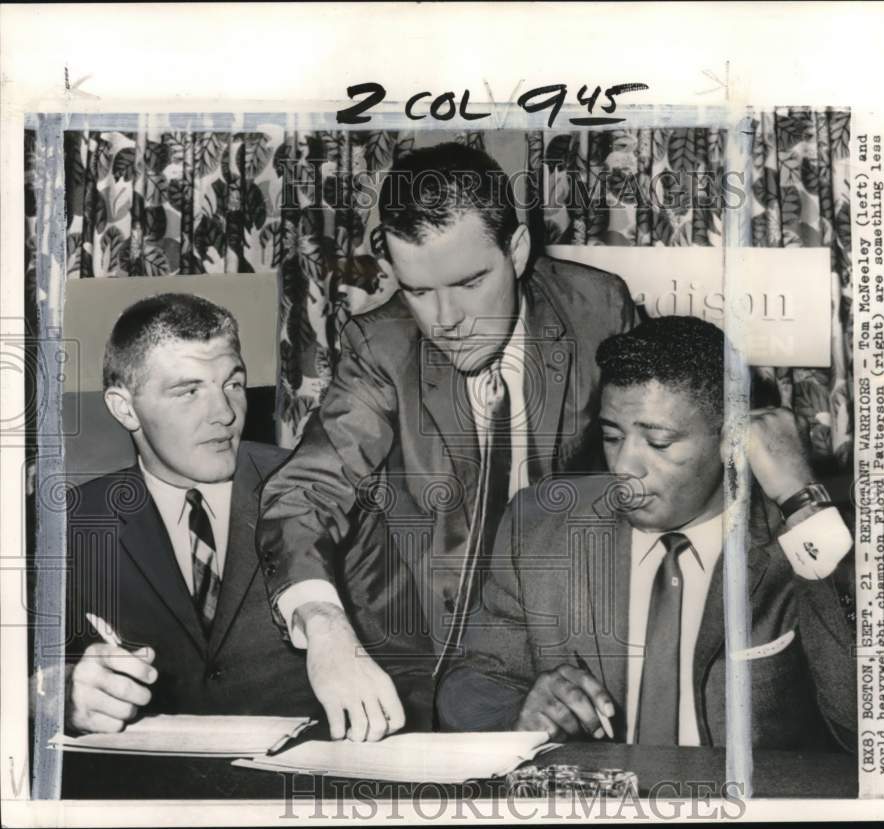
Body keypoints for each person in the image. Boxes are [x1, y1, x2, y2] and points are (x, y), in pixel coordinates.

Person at [256, 142, 638, 740]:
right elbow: (305, 491)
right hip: (421, 664)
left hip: (565, 648)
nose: (445, 319)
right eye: (417, 291)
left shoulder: (599, 309)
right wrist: (324, 623)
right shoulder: (379, 345)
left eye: (467, 282)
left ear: (516, 249)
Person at [436, 316, 856, 751]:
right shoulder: (540, 525)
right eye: (612, 436)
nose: (624, 467)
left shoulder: (799, 541)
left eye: (658, 443)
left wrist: (799, 498)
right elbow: (463, 693)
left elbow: (866, 724)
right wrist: (521, 710)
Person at [64, 294, 430, 735]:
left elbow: (411, 679)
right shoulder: (67, 524)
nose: (224, 415)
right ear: (124, 407)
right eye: (189, 391)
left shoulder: (328, 492)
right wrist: (57, 693)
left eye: (233, 384)